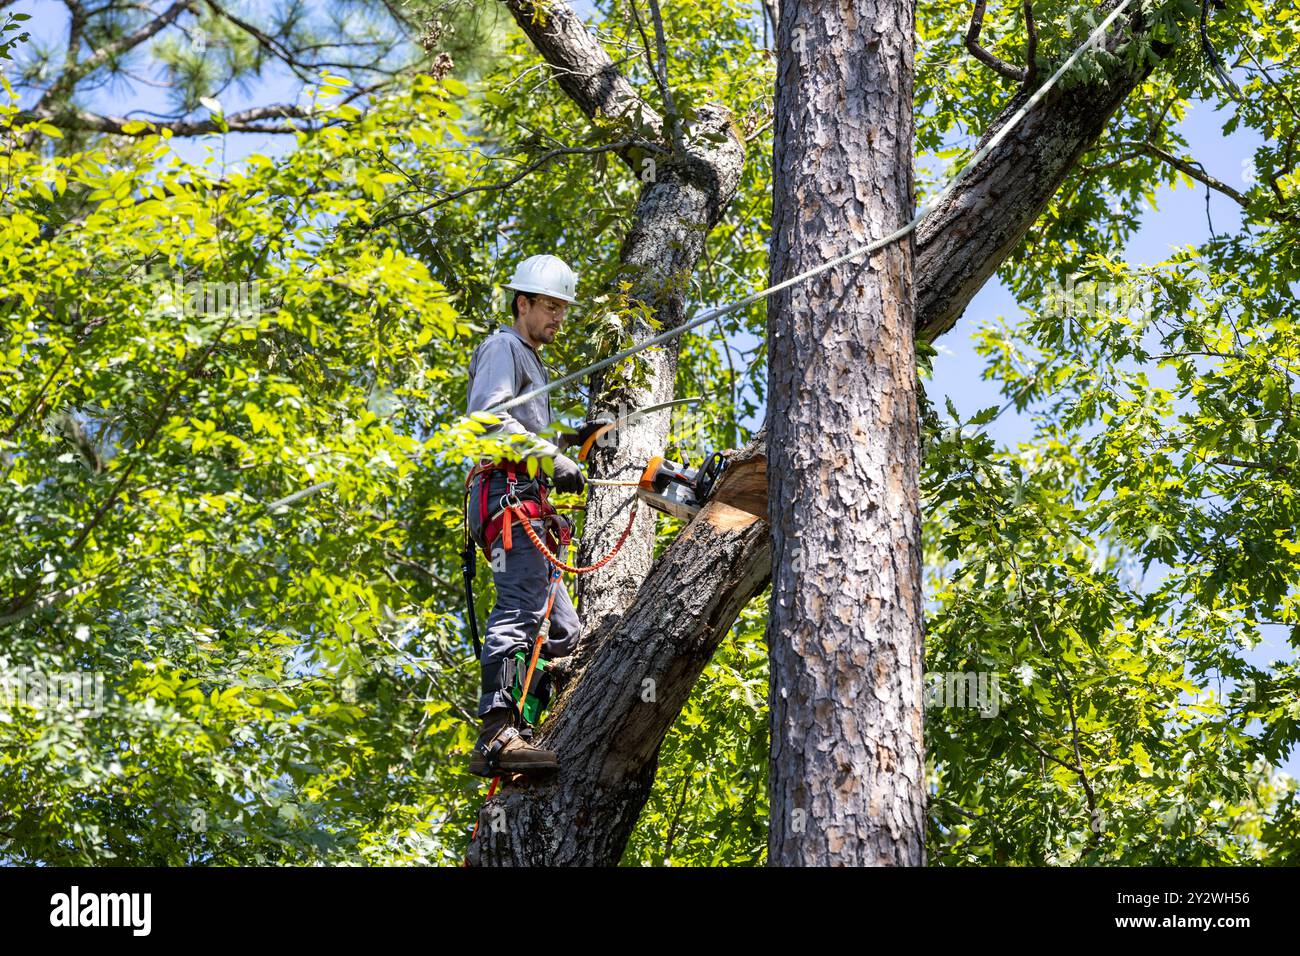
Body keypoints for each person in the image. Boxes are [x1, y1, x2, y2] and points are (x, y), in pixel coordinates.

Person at [463, 253, 607, 777]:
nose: (558, 319)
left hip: (527, 505)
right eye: (549, 306)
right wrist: (554, 456)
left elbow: (519, 426)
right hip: (507, 503)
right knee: (521, 606)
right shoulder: (504, 346)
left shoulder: (531, 359)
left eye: (562, 309)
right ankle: (498, 734)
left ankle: (530, 722)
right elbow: (485, 421)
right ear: (522, 302)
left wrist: (563, 441)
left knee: (564, 631)